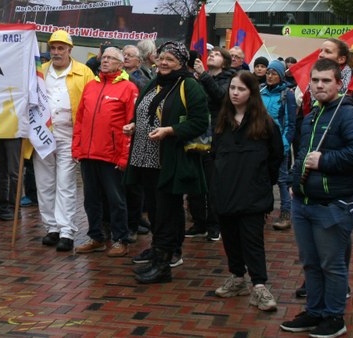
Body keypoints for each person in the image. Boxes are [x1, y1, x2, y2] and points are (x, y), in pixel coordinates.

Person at [280, 59, 353, 338]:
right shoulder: (311, 116)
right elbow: (303, 153)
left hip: (333, 205)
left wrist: (326, 160)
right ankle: (314, 311)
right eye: (315, 80)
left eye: (326, 80)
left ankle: (334, 316)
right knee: (310, 263)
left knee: (332, 264)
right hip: (305, 203)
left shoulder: (348, 113)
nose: (319, 85)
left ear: (339, 84)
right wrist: (296, 184)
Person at [123, 41, 209, 284]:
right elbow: (144, 110)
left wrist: (171, 130)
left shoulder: (189, 85)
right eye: (161, 58)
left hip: (169, 160)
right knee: (155, 210)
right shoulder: (154, 82)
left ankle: (165, 263)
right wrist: (134, 124)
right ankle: (157, 253)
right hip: (145, 158)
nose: (163, 62)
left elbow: (200, 121)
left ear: (181, 63)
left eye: (170, 59)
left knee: (168, 212)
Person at [211, 71, 283, 311]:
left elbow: (276, 158)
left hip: (253, 195)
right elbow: (215, 156)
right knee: (231, 239)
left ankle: (260, 286)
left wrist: (263, 184)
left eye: (240, 89)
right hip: (226, 193)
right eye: (232, 88)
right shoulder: (222, 122)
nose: (234, 93)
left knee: (252, 241)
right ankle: (237, 278)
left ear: (251, 92)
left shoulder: (265, 124)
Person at [73, 47, 138, 257]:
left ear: (120, 64)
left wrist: (124, 157)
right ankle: (96, 237)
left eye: (111, 58)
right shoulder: (91, 85)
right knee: (90, 199)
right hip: (89, 153)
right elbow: (80, 119)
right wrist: (78, 147)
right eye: (105, 57)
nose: (105, 60)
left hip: (112, 155)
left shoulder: (128, 88)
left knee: (116, 200)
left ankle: (120, 239)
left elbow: (131, 124)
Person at [34, 30, 95, 252]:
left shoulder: (84, 72)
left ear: (70, 49)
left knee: (65, 182)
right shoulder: (40, 72)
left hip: (69, 135)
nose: (57, 52)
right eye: (53, 48)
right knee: (45, 183)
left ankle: (67, 230)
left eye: (61, 48)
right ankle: (51, 227)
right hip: (43, 135)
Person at [189, 47, 236, 242]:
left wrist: (204, 77)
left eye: (216, 54)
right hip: (198, 135)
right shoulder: (200, 78)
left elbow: (221, 98)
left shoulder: (230, 80)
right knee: (195, 181)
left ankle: (214, 224)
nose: (211, 56)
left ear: (225, 62)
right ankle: (198, 221)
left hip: (216, 136)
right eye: (210, 54)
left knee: (212, 183)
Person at [260, 60, 297, 231]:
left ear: (281, 76)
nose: (269, 76)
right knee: (261, 178)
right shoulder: (260, 91)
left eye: (274, 73)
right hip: (260, 143)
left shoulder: (286, 94)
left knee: (282, 180)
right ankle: (261, 210)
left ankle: (285, 214)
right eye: (268, 72)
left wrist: (283, 145)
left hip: (278, 144)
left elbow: (290, 124)